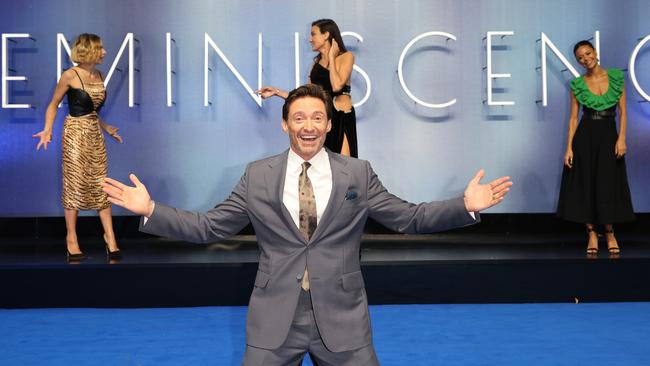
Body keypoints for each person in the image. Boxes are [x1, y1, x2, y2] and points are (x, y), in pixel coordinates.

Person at [102, 84, 512, 365]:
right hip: (274, 316)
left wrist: (464, 206)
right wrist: (151, 209)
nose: (309, 126)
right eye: (299, 118)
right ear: (285, 124)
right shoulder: (258, 175)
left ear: (330, 124)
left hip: (343, 317)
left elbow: (408, 217)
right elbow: (211, 227)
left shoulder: (357, 173)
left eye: (318, 117)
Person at [33, 33, 123, 261]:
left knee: (100, 183)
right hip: (74, 134)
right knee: (74, 183)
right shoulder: (69, 76)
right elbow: (53, 105)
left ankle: (110, 237)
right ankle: (71, 238)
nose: (105, 52)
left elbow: (92, 110)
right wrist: (47, 129)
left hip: (94, 134)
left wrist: (106, 127)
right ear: (89, 50)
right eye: (100, 48)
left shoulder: (99, 75)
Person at [557, 40, 635, 256]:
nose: (585, 59)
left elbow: (623, 112)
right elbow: (573, 119)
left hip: (609, 136)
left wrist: (622, 139)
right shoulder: (577, 85)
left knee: (607, 183)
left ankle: (610, 232)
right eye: (580, 57)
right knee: (586, 182)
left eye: (588, 53)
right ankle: (591, 232)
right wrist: (569, 148)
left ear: (596, 52)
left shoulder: (616, 78)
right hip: (585, 137)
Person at [257, 19, 358, 157]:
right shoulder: (315, 64)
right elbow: (306, 96)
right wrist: (276, 92)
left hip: (341, 117)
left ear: (326, 35)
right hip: (322, 119)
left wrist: (332, 57)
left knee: (345, 166)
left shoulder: (347, 57)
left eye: (313, 34)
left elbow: (336, 86)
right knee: (324, 165)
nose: (310, 39)